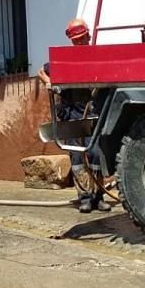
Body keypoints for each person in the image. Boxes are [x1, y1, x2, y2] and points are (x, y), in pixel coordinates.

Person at [37, 18, 111, 214]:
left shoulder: (96, 57)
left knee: (95, 153)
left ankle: (98, 197)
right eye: (76, 40)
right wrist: (50, 83)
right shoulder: (64, 59)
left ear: (89, 36)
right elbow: (41, 72)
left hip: (92, 113)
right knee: (77, 156)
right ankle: (84, 198)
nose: (80, 42)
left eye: (82, 38)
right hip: (71, 114)